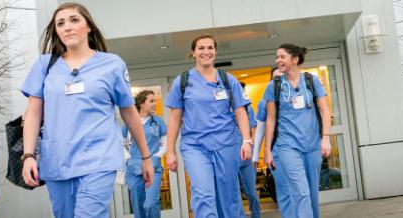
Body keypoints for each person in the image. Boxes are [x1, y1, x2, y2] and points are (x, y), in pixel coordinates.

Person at [20, 3, 153, 217]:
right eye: (60, 23)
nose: (67, 27)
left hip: (99, 158)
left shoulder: (111, 64)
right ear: (56, 31)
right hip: (57, 161)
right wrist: (28, 156)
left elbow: (129, 112)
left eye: (74, 20)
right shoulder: (45, 65)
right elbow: (33, 114)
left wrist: (146, 156)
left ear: (88, 26)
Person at [164, 34, 253, 217]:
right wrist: (170, 151)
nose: (206, 51)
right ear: (193, 52)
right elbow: (174, 119)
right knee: (203, 194)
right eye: (201, 48)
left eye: (210, 48)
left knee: (228, 198)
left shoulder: (227, 79)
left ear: (215, 51)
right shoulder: (183, 81)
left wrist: (246, 140)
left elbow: (240, 112)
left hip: (227, 145)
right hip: (195, 147)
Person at [263, 44, 332, 218]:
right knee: (300, 191)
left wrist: (325, 138)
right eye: (277, 57)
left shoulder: (311, 80)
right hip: (287, 146)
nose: (278, 60)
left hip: (312, 145)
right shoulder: (274, 86)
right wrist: (267, 151)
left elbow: (325, 110)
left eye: (282, 57)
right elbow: (270, 119)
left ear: (295, 59)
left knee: (311, 193)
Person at [254, 67, 293, 217]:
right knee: (283, 189)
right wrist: (256, 154)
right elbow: (261, 127)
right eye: (275, 78)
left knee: (300, 188)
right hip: (277, 151)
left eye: (282, 77)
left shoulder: (297, 95)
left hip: (298, 149)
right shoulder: (265, 103)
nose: (279, 81)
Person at [122, 90, 167, 218]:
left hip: (153, 168)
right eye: (152, 101)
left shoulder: (158, 121)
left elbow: (166, 143)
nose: (155, 104)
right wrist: (128, 159)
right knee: (138, 207)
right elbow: (120, 144)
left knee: (151, 204)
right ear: (141, 103)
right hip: (134, 169)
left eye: (156, 101)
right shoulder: (130, 121)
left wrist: (157, 156)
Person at [237, 82, 261, 218]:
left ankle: (256, 216)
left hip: (246, 159)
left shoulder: (248, 108)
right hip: (230, 158)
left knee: (251, 193)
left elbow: (253, 128)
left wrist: (254, 152)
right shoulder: (223, 108)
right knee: (234, 194)